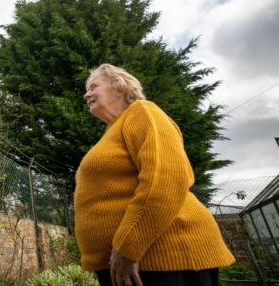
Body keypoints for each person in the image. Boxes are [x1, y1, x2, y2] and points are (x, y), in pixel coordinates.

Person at [74, 64, 234, 286]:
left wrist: (128, 247)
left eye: (94, 86)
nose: (86, 93)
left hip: (164, 259)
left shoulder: (143, 112)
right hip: (130, 265)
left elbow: (166, 179)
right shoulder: (114, 129)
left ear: (119, 87)